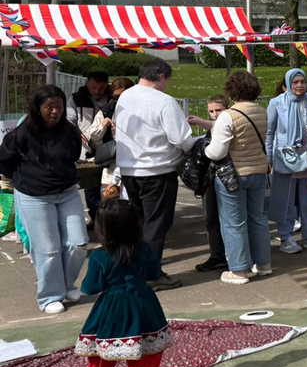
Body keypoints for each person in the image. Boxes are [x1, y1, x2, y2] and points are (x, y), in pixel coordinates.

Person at [71, 198, 172, 367]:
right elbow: (154, 273)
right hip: (144, 301)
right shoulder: (145, 249)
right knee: (146, 347)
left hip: (113, 307)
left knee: (102, 349)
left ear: (102, 227)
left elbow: (89, 288)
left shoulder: (100, 255)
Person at [0, 85, 87, 314]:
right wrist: (22, 180)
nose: (54, 111)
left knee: (78, 243)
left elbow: (74, 154)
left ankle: (66, 285)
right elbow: (4, 160)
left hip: (67, 192)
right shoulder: (22, 133)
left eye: (58, 106)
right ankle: (49, 297)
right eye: (49, 107)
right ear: (38, 108)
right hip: (34, 196)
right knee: (47, 249)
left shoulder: (69, 131)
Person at [107, 58, 193, 291]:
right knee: (156, 225)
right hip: (157, 169)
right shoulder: (165, 102)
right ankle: (151, 274)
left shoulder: (125, 96)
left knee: (139, 223)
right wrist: (193, 145)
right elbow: (181, 139)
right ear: (163, 76)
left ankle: (136, 268)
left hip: (129, 168)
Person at [203, 71, 271, 285]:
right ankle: (264, 264)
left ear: (231, 91)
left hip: (233, 175)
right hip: (259, 171)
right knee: (258, 218)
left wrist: (204, 151)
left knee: (233, 222)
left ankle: (239, 270)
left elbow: (217, 152)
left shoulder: (228, 115)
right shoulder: (262, 111)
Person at [266, 68, 307, 254]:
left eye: (303, 81)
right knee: (284, 199)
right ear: (287, 84)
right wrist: (269, 157)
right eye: (296, 82)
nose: (300, 85)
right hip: (285, 156)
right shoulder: (277, 103)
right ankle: (286, 238)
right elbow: (270, 133)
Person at [186, 95, 229, 273]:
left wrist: (199, 122)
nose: (214, 114)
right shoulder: (213, 127)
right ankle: (217, 255)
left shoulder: (227, 122)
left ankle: (231, 255)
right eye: (211, 111)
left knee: (230, 219)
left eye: (218, 110)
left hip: (227, 177)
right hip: (210, 178)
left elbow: (218, 129)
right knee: (211, 218)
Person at [67, 70, 111, 231]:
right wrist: (77, 134)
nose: (97, 91)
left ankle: (110, 218)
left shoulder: (113, 98)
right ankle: (96, 218)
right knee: (90, 186)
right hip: (87, 148)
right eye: (93, 87)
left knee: (110, 183)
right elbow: (69, 120)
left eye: (101, 88)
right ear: (87, 84)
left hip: (109, 146)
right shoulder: (77, 99)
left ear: (107, 85)